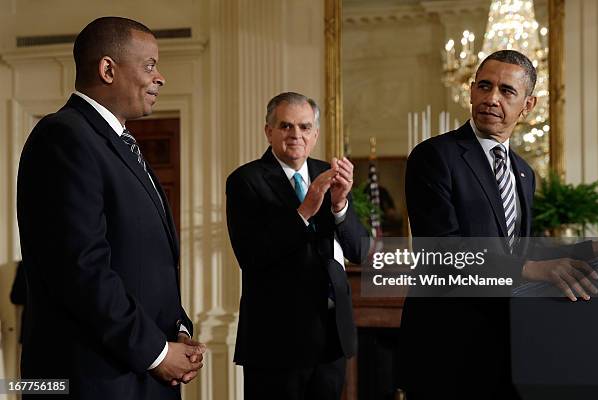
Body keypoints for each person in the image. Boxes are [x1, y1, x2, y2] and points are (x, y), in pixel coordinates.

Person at [397, 50, 598, 398]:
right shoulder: (435, 156)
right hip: (447, 347)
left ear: (528, 105)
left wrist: (596, 247)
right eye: (484, 86)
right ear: (472, 91)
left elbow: (523, 250)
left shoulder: (524, 173)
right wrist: (533, 268)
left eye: (506, 91)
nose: (491, 98)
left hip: (507, 346)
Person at [17, 17, 203, 400]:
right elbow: (82, 269)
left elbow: (142, 263)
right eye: (150, 65)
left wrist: (177, 330)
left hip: (140, 376)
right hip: (93, 380)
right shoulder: (63, 136)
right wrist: (157, 352)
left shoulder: (120, 144)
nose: (160, 77)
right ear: (107, 69)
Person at [226, 92, 368, 400]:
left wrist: (340, 203)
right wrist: (305, 210)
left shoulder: (329, 174)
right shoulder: (245, 180)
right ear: (269, 131)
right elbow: (251, 256)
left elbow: (359, 251)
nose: (296, 135)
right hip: (276, 341)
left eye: (304, 127)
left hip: (331, 337)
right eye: (286, 126)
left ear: (315, 133)